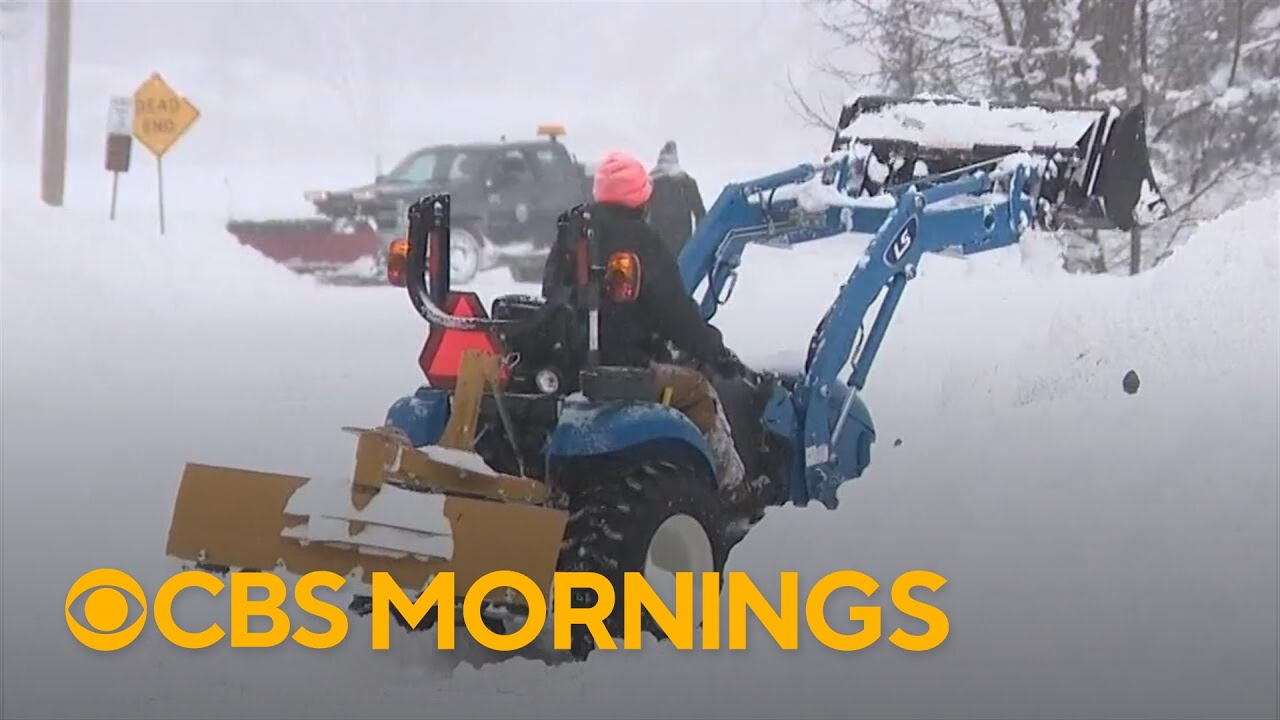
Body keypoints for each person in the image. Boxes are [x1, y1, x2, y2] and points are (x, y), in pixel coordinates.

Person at [542, 149, 748, 500]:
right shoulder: (642, 241)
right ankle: (733, 489)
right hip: (623, 368)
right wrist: (716, 352)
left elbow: (552, 291)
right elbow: (676, 315)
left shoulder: (573, 232)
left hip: (569, 362)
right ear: (642, 198)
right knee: (699, 391)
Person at [646, 141, 706, 257]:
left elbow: (642, 213)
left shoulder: (651, 182)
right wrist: (699, 240)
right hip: (679, 239)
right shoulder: (686, 182)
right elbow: (699, 213)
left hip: (660, 239)